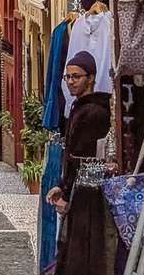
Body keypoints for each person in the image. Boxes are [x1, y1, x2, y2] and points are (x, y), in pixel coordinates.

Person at [46, 51, 112, 214]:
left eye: (76, 76)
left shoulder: (92, 113)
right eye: (67, 77)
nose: (70, 81)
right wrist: (62, 186)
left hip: (87, 193)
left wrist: (66, 195)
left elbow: (80, 157)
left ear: (90, 78)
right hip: (80, 189)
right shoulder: (79, 108)